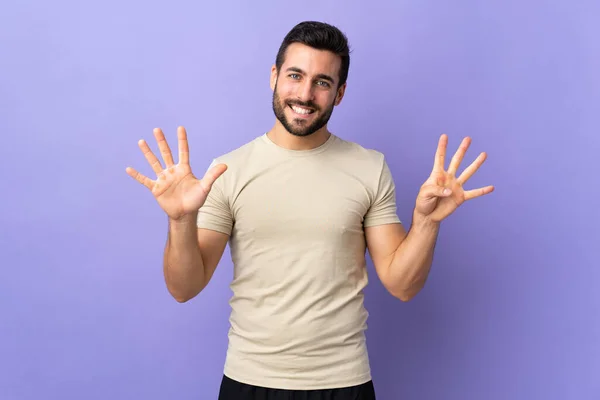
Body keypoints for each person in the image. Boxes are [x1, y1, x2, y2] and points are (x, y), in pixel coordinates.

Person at [126, 20, 494, 400]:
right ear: (274, 76)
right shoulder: (228, 170)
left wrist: (426, 223)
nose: (304, 93)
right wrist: (180, 220)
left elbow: (402, 286)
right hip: (249, 380)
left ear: (340, 93)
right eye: (295, 75)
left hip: (343, 383)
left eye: (322, 82)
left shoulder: (369, 167)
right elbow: (183, 288)